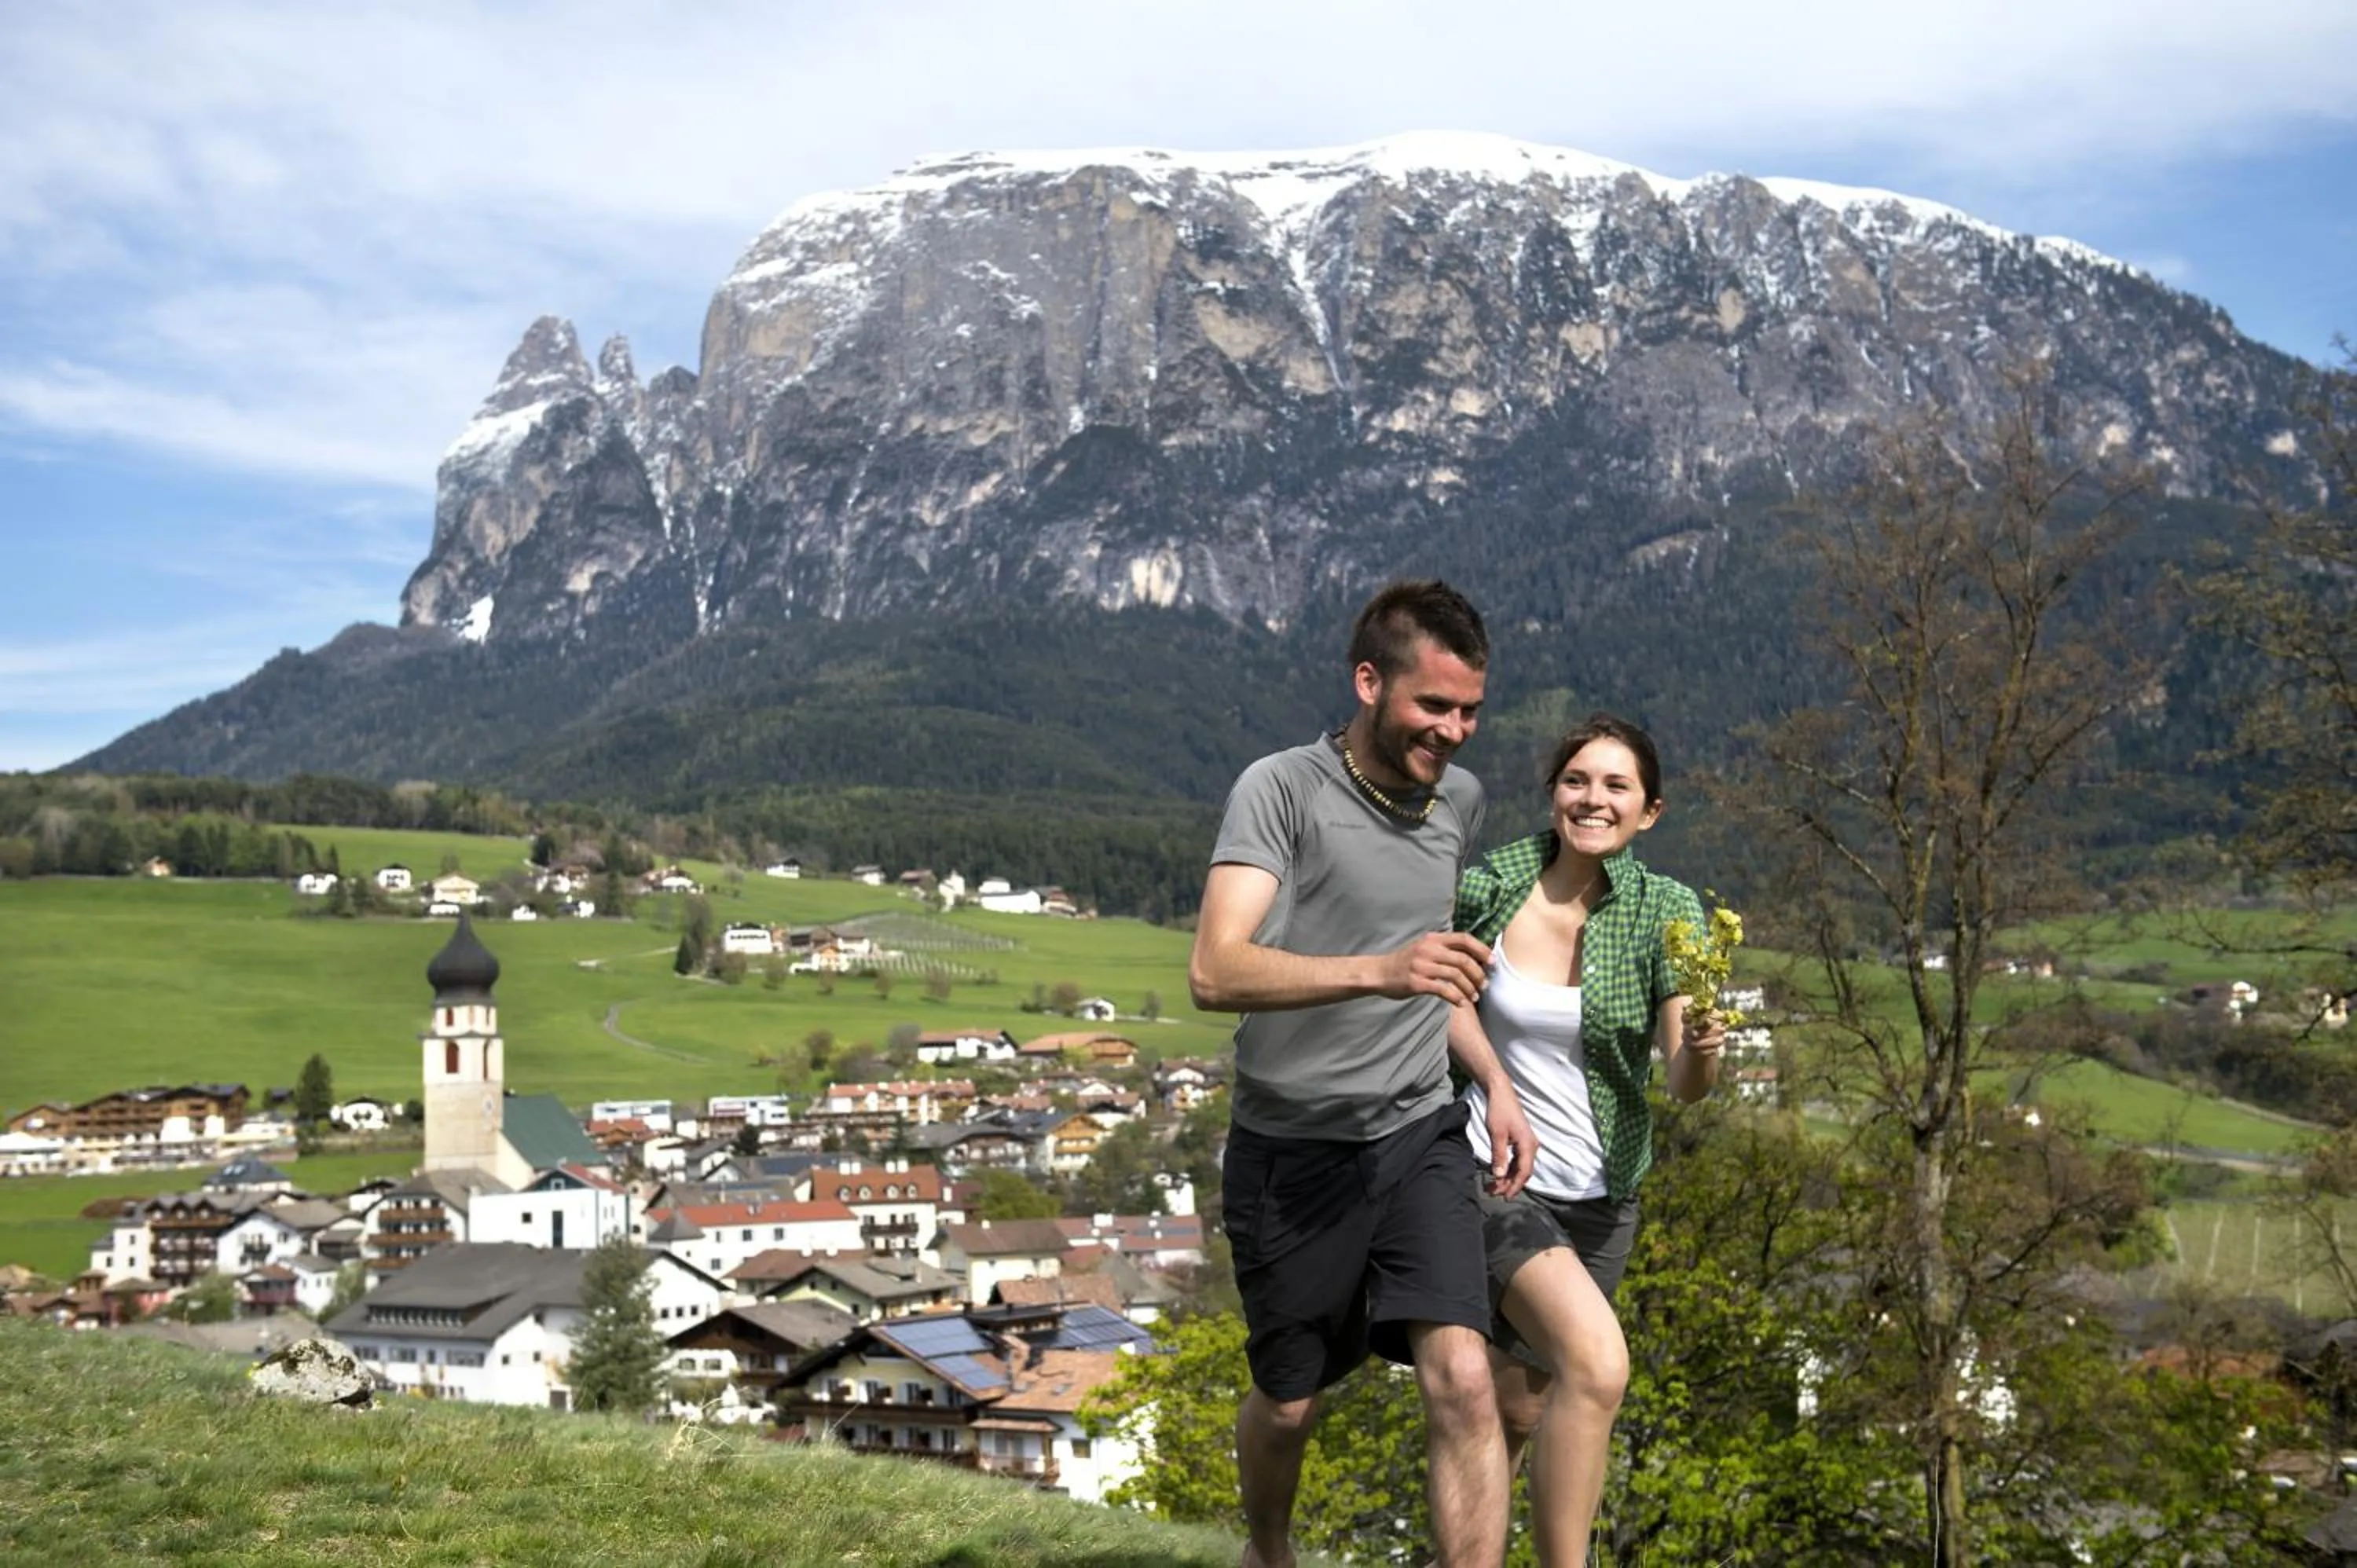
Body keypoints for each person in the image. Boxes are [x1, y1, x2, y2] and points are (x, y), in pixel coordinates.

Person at [1189, 579, 1535, 1568]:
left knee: (1463, 1376)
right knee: (1289, 1401)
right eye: (1435, 706)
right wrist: (1381, 970)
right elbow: (1216, 970)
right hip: (1293, 1152)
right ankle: (1268, 1549)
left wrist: (1494, 1082)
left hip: (1418, 1134)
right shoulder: (1281, 789)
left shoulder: (1459, 801)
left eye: (1470, 710)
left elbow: (1436, 976)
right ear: (1369, 681)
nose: (1455, 731)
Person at [1447, 712, 1727, 1565]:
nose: (1593, 799)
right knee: (1599, 1365)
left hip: (1604, 1199)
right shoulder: (1491, 885)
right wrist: (1495, 1084)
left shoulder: (1667, 912)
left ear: (1650, 811)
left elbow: (1683, 1083)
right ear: (1553, 793)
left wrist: (1704, 1049)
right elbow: (1439, 995)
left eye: (1616, 786)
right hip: (1494, 1176)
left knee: (1521, 1408)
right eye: (1577, 780)